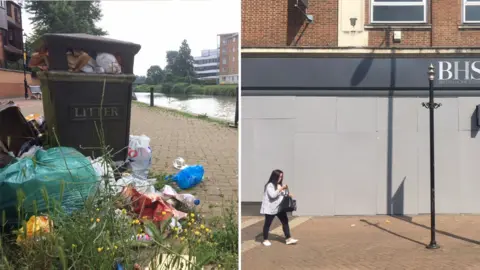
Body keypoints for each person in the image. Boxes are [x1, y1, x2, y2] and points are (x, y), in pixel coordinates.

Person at [260, 169, 298, 246]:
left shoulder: (279, 185)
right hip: (271, 208)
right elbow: (273, 195)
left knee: (285, 221)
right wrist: (281, 188)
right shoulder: (270, 185)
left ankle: (288, 238)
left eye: (282, 177)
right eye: (279, 177)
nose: (281, 178)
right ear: (275, 177)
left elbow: (282, 194)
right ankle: (265, 239)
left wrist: (287, 194)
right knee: (268, 223)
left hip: (280, 207)